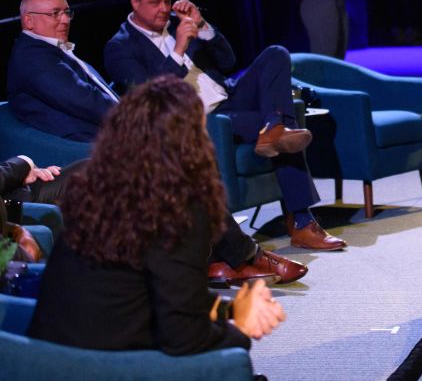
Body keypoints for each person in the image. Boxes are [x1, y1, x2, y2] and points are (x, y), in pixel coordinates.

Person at [7, 0, 307, 284]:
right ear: (29, 21)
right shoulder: (34, 57)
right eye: (55, 13)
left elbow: (226, 60)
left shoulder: (53, 52)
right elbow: (84, 101)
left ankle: (222, 258)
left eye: (66, 12)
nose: (64, 19)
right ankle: (240, 256)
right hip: (76, 152)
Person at [28, 76, 286, 355]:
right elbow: (184, 338)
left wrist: (232, 308)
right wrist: (242, 329)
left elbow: (156, 294)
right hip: (111, 365)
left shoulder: (93, 191)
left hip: (49, 359)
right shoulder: (181, 209)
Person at [104, 0, 345, 252]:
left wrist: (202, 25)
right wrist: (180, 48)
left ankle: (274, 126)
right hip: (199, 120)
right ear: (135, 2)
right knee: (284, 133)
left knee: (276, 54)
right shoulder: (119, 47)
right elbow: (151, 97)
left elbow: (228, 60)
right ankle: (302, 221)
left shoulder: (179, 22)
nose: (164, 10)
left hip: (229, 99)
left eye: (168, 1)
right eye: (155, 3)